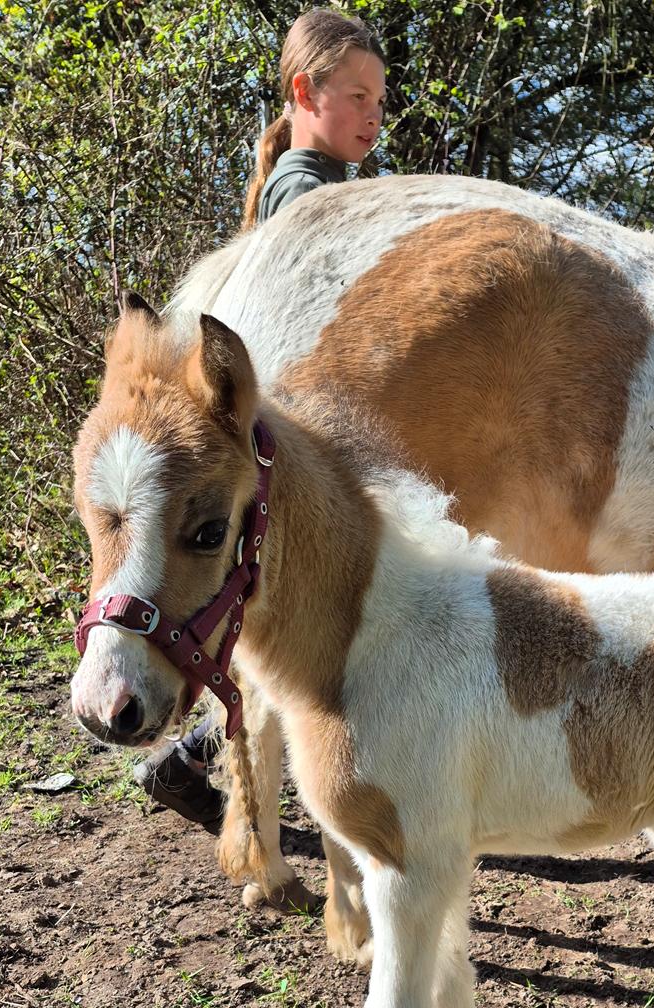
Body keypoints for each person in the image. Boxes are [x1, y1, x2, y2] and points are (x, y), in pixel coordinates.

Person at [135, 9, 385, 827]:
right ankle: (193, 759)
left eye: (380, 97)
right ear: (304, 92)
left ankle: (190, 762)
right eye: (355, 94)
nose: (373, 114)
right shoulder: (305, 195)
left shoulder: (318, 187)